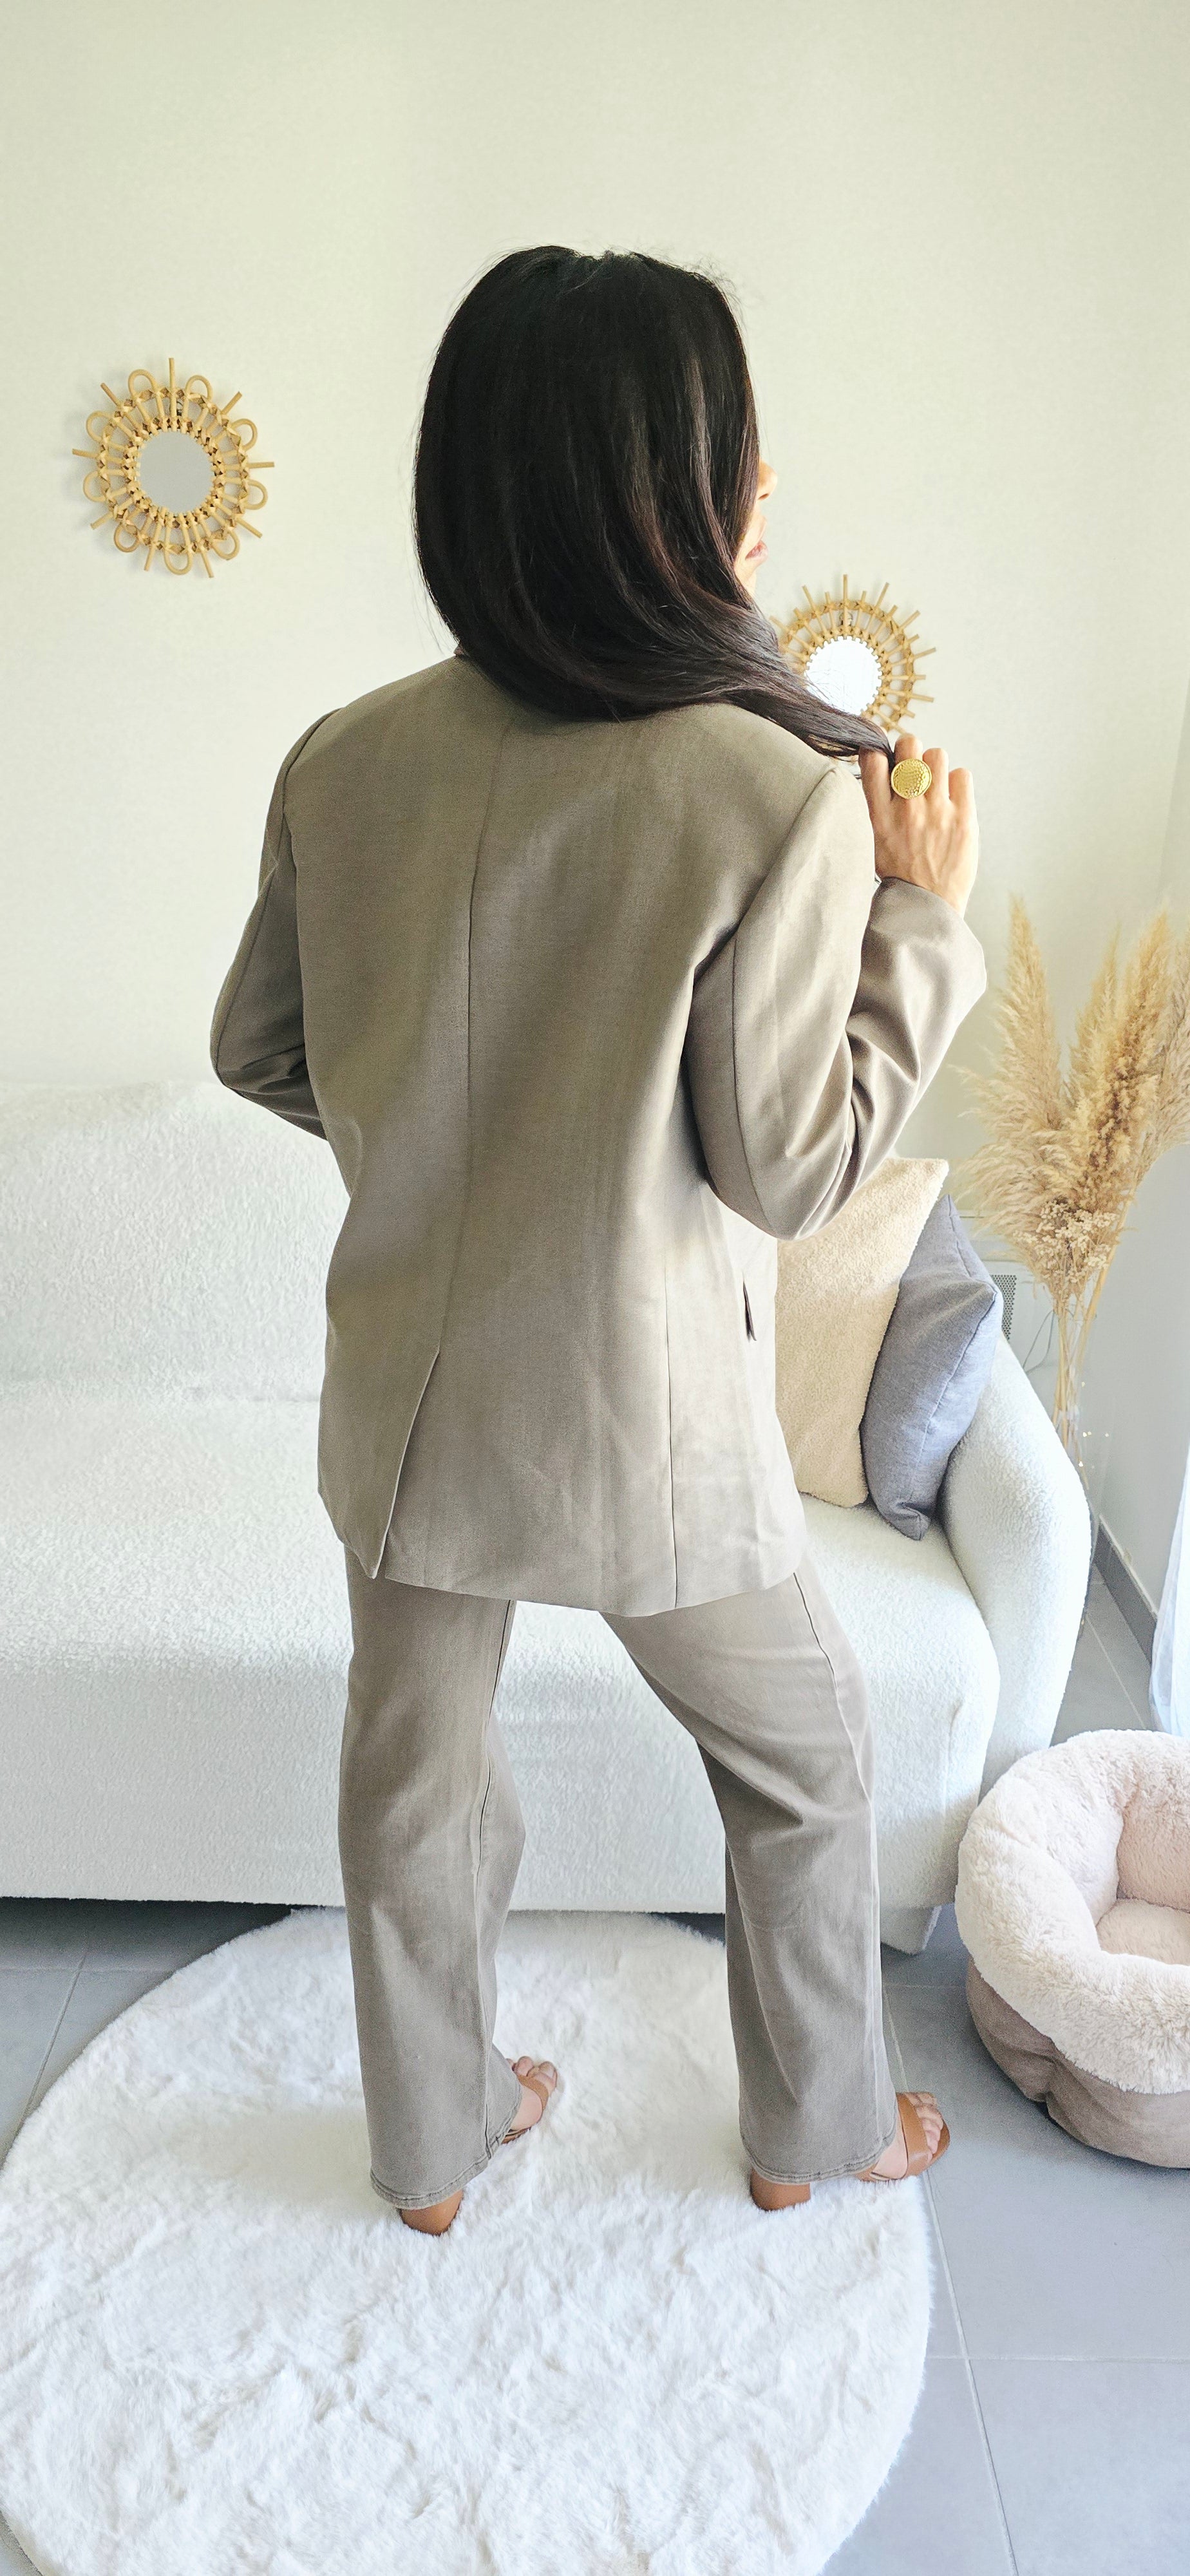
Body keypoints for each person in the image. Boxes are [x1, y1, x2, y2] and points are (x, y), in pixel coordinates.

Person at [211, 246, 984, 2237]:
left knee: (411, 1787)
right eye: (738, 448)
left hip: (411, 1405)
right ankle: (813, 2130)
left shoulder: (344, 758)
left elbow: (261, 1051)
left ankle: (434, 2147)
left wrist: (440, 1153)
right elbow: (793, 1172)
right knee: (806, 1763)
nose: (766, 484)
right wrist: (921, 924)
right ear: (655, 486)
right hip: (647, 1420)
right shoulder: (775, 793)